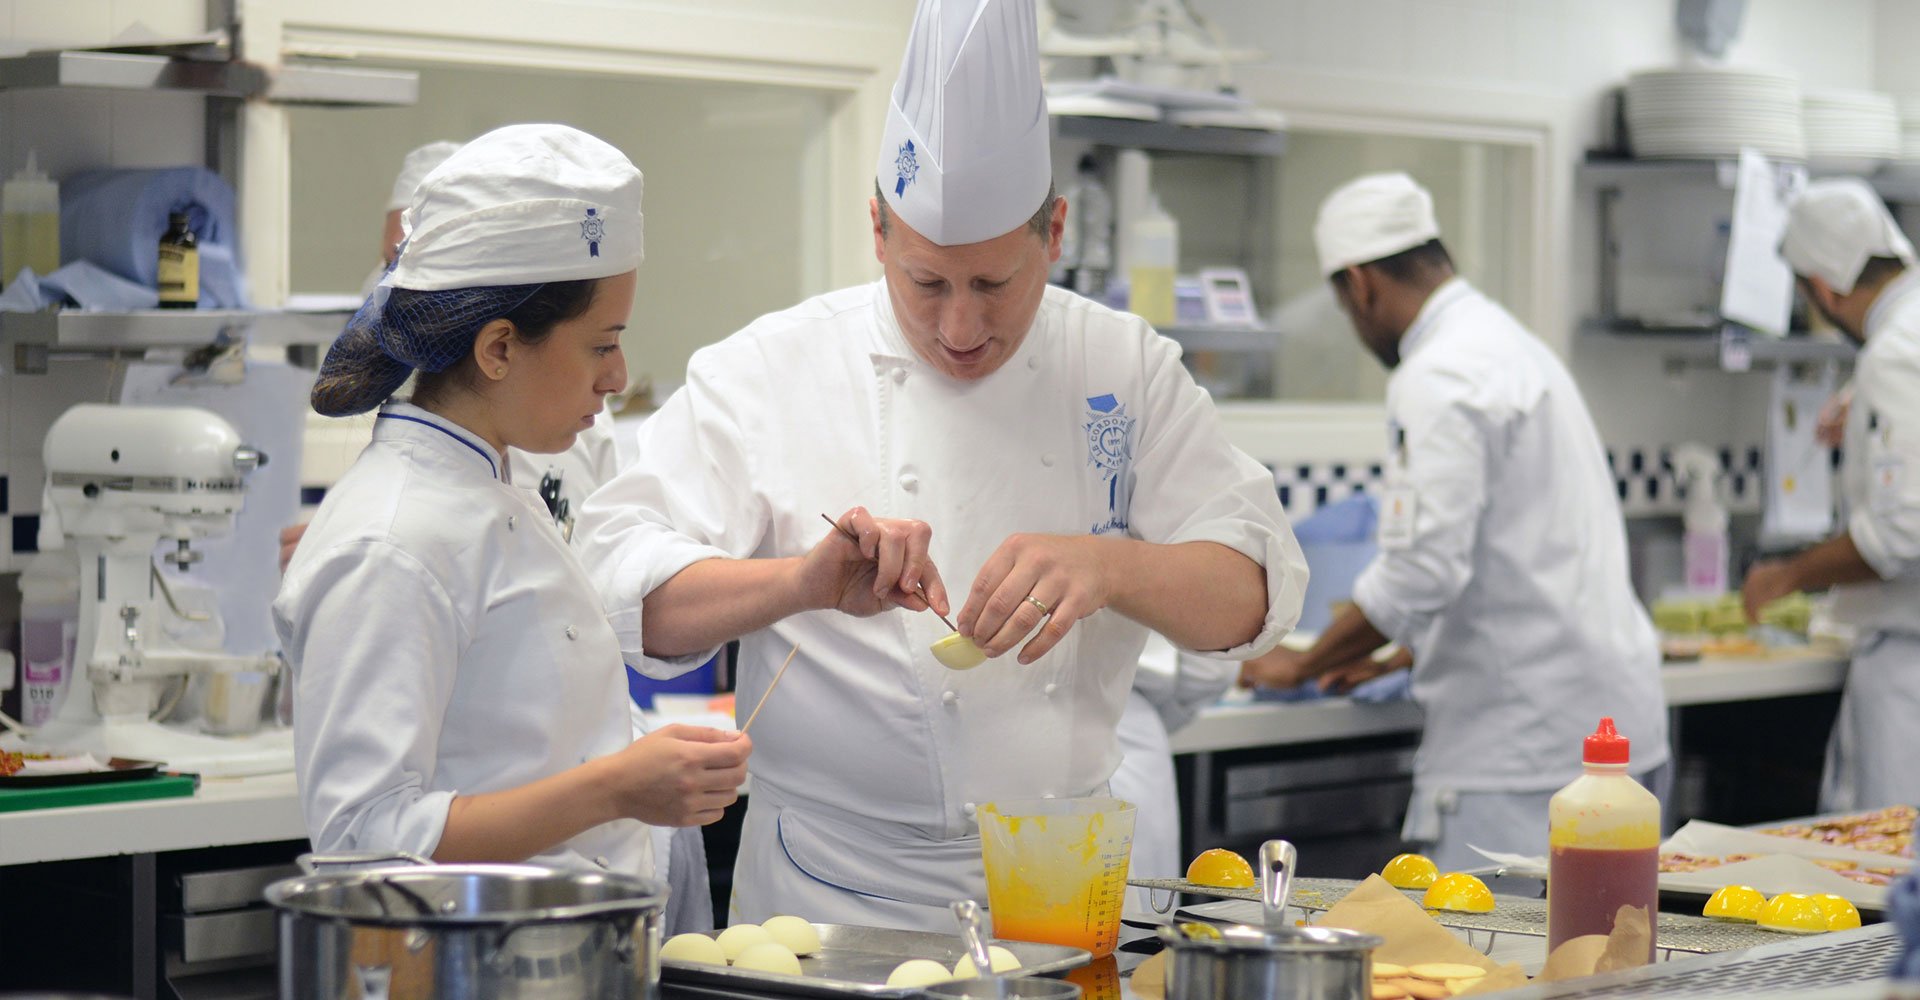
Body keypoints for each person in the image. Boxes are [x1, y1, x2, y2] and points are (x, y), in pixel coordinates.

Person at [575, 0, 1306, 929]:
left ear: (1056, 233)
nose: (962, 329)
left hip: (1061, 889)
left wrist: (1110, 564)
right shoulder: (770, 368)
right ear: (877, 230)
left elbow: (1255, 595)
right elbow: (615, 590)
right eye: (926, 283)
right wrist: (799, 583)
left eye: (996, 285)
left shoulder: (1124, 366)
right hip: (829, 898)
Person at [274, 124, 751, 875]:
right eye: (602, 344)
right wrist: (613, 789)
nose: (619, 376)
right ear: (498, 349)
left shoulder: (492, 492)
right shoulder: (391, 541)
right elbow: (362, 840)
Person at [1239, 173, 1669, 871]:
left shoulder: (1439, 374)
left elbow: (1421, 571)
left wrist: (1304, 663)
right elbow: (1517, 551)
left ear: (1361, 284)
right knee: (1613, 965)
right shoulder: (1513, 347)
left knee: (1505, 974)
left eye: (1348, 306)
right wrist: (1405, 653)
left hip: (1524, 759)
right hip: (1616, 730)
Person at [1742, 178, 1920, 813]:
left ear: (1824, 288)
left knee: (1888, 885)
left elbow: (1902, 534)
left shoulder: (1896, 353)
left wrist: (1787, 576)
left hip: (1909, 674)